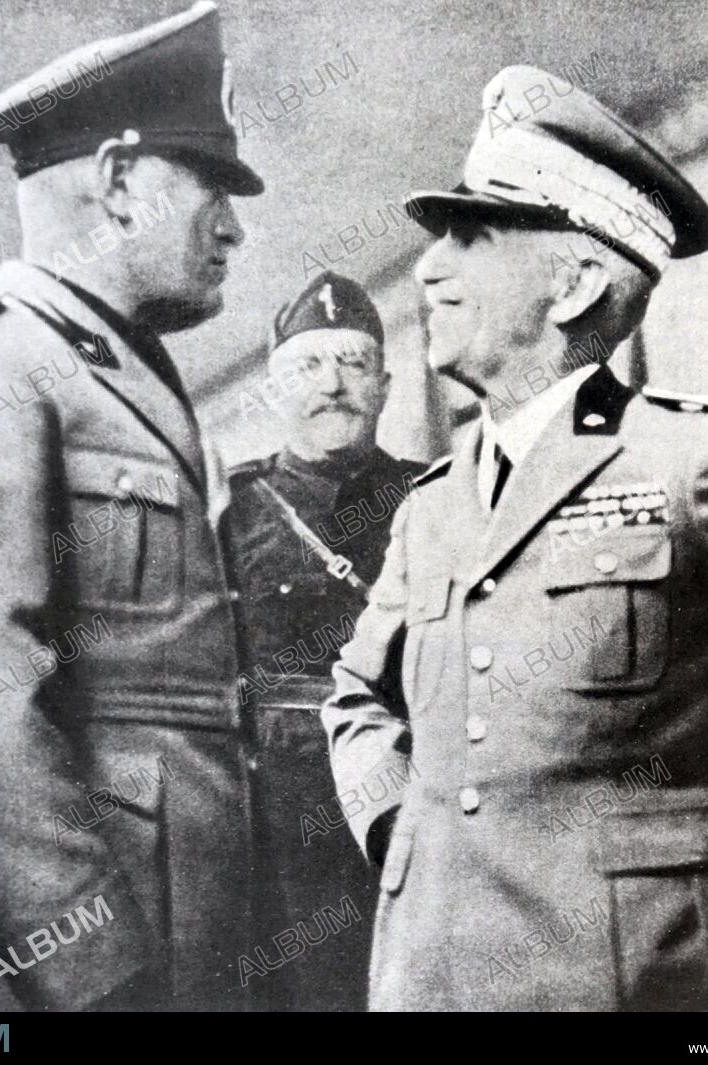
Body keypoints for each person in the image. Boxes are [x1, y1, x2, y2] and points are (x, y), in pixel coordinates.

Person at [322, 65, 708, 1011]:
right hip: (428, 975)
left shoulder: (698, 463)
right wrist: (399, 834)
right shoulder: (433, 505)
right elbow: (355, 697)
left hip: (633, 977)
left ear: (574, 284)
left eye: (471, 236)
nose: (428, 268)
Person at [0, 2, 263, 1012]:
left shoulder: (118, 375)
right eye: (209, 185)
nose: (232, 225)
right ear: (120, 184)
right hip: (43, 961)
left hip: (173, 922)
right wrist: (84, 964)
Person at [227, 271, 425, 1010]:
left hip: (419, 789)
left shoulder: (435, 494)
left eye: (353, 362)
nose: (333, 383)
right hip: (286, 831)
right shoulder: (234, 516)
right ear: (275, 390)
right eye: (307, 365)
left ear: (385, 384)